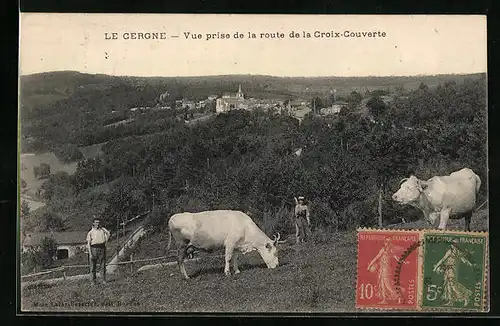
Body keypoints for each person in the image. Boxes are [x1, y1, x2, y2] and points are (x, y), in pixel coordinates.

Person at [367, 237, 409, 304]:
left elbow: (397, 258)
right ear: (384, 242)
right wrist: (369, 265)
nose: (387, 243)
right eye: (386, 241)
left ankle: (400, 295)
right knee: (382, 284)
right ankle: (384, 300)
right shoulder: (382, 250)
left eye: (389, 242)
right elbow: (376, 257)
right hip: (382, 269)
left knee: (387, 284)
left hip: (387, 269)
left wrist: (404, 262)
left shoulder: (391, 250)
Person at [433, 239, 474, 307]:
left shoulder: (458, 252)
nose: (454, 246)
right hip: (447, 269)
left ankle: (465, 297)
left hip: (453, 270)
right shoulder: (450, 251)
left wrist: (470, 264)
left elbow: (464, 260)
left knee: (452, 284)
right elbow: (443, 259)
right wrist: (436, 267)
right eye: (453, 244)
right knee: (448, 285)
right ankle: (450, 301)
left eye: (455, 245)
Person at [87, 217, 111, 284]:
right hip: (94, 248)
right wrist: (90, 253)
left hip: (102, 248)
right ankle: (93, 281)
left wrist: (103, 229)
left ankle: (103, 280)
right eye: (96, 222)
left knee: (102, 265)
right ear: (93, 223)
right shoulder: (90, 232)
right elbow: (88, 244)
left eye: (99, 222)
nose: (98, 224)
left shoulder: (102, 230)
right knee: (93, 266)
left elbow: (108, 234)